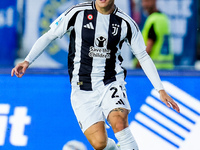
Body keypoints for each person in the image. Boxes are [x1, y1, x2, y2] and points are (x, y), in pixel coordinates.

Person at [11, 0, 180, 149]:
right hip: (82, 86)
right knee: (100, 143)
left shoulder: (125, 23)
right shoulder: (77, 13)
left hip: (111, 81)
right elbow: (50, 36)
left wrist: (160, 89)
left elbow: (143, 56)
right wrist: (27, 61)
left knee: (119, 122)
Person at [135, 0, 174, 69]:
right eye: (143, 2)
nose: (144, 5)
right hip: (167, 68)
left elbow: (149, 47)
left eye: (147, 1)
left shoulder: (153, 20)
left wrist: (138, 65)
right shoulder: (163, 18)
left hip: (154, 69)